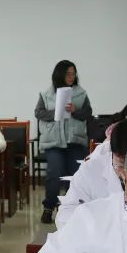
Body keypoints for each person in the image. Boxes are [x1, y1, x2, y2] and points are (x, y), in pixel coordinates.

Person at [55, 114, 127, 228]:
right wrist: (93, 228)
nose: (125, 173)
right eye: (121, 164)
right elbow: (65, 215)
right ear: (112, 152)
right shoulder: (91, 170)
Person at [35, 59, 92, 224]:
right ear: (59, 74)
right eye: (68, 74)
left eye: (73, 74)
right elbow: (38, 113)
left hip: (75, 141)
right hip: (54, 141)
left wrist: (75, 110)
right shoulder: (46, 94)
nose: (72, 77)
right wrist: (55, 112)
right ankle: (49, 207)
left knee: (74, 176)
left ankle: (70, 208)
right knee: (54, 173)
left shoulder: (81, 93)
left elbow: (87, 113)